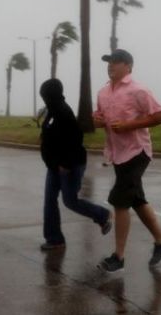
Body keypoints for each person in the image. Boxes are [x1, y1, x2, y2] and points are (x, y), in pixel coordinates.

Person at [93, 49, 161, 273]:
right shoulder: (102, 92)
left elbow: (160, 116)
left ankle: (118, 257)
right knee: (136, 200)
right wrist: (97, 120)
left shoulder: (138, 90)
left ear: (128, 66)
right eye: (109, 62)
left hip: (137, 152)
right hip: (117, 153)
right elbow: (98, 117)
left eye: (116, 62)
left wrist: (130, 125)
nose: (111, 65)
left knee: (120, 201)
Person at [39, 78, 112, 251]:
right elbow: (49, 131)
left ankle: (102, 215)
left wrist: (65, 164)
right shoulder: (52, 111)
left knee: (70, 201)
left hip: (69, 165)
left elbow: (75, 139)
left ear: (53, 95)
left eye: (46, 95)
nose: (44, 98)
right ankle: (55, 239)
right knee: (49, 201)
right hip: (54, 166)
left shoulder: (64, 112)